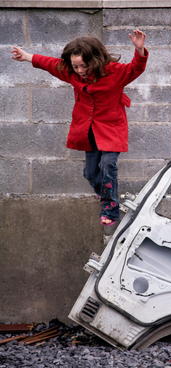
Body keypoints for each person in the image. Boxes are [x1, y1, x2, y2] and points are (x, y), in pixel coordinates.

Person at [11, 30, 148, 226]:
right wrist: (27, 57)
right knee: (91, 174)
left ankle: (110, 209)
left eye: (84, 66)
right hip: (88, 131)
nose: (80, 70)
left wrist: (139, 49)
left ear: (97, 60)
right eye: (76, 66)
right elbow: (50, 64)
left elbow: (136, 68)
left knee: (108, 165)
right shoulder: (72, 74)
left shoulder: (115, 72)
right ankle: (105, 196)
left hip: (111, 129)